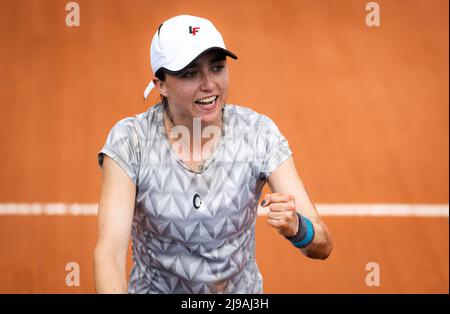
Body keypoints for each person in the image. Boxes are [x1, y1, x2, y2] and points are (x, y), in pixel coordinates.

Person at [94, 14, 333, 294]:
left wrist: (298, 228)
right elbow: (109, 255)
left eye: (217, 68)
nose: (209, 84)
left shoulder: (258, 134)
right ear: (160, 84)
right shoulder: (130, 141)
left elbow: (323, 244)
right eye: (190, 73)